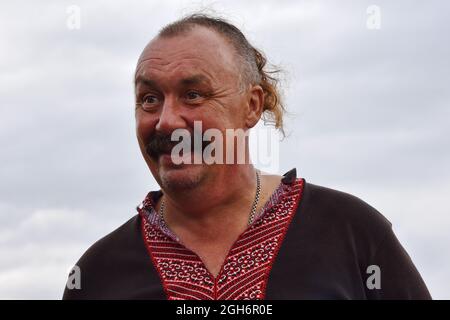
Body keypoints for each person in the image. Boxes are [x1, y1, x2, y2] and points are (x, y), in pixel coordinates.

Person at [63, 14, 431, 300]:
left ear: (251, 106)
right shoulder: (97, 275)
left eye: (193, 94)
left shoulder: (353, 235)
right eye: (149, 99)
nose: (166, 121)